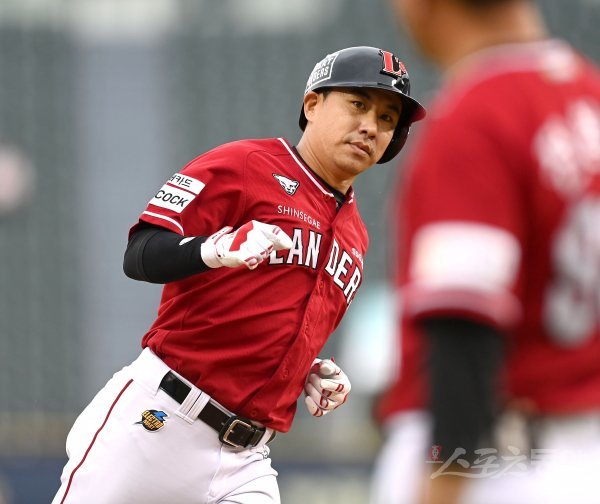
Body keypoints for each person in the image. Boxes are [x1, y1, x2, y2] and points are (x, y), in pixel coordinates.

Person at [52, 45, 425, 504]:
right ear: (312, 105)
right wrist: (214, 249)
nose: (370, 125)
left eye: (387, 118)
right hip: (157, 422)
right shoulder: (245, 164)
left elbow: (270, 317)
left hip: (246, 457)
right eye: (358, 104)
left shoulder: (356, 235)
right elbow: (140, 253)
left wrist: (304, 370)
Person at [371, 1, 600, 503]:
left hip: (499, 465)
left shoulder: (477, 116)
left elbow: (464, 328)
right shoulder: (590, 93)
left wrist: (444, 480)